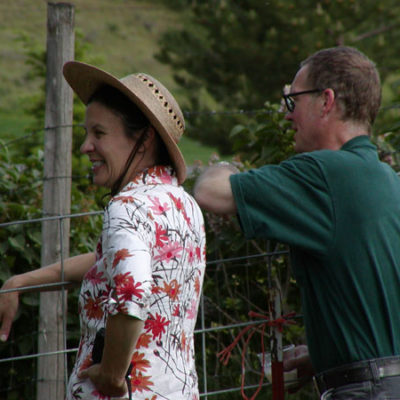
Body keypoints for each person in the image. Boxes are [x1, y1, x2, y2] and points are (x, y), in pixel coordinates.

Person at [194, 46, 400, 399]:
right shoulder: (389, 179)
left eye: (293, 101)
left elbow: (210, 193)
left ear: (326, 101)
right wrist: (324, 355)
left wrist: (220, 168)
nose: (288, 116)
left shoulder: (322, 173)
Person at [0, 62, 206, 400]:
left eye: (99, 133)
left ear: (143, 138)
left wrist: (111, 377)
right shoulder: (183, 204)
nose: (85, 146)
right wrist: (19, 282)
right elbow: (112, 261)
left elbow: (131, 293)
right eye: (86, 134)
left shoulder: (126, 208)